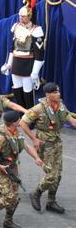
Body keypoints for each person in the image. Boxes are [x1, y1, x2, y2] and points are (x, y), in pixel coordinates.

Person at [22, 83, 76, 214]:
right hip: (45, 145)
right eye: (55, 92)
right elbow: (22, 123)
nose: (58, 94)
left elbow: (72, 121)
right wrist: (34, 139)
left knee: (58, 175)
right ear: (47, 95)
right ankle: (36, 193)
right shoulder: (38, 109)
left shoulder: (61, 106)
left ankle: (51, 202)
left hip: (57, 143)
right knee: (51, 175)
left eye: (58, 91)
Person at [0, 111, 43, 228]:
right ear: (14, 123)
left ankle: (8, 221)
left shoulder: (16, 132)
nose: (20, 120)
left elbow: (25, 146)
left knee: (14, 199)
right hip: (1, 171)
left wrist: (36, 157)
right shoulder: (1, 138)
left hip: (13, 170)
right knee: (9, 197)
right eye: (18, 119)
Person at [1, 2, 45, 109]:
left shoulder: (37, 30)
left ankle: (29, 114)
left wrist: (35, 72)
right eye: (20, 15)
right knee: (16, 87)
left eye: (24, 16)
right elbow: (12, 48)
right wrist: (8, 64)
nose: (21, 18)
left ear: (30, 16)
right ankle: (20, 113)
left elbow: (39, 54)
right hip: (16, 61)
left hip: (28, 63)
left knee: (27, 89)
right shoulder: (15, 27)